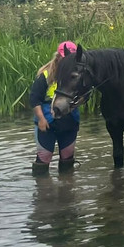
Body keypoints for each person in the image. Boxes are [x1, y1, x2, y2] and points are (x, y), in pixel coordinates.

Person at [30, 41, 81, 175]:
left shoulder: (76, 75)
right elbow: (34, 99)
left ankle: (67, 188)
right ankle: (42, 189)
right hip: (47, 122)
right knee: (44, 156)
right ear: (58, 56)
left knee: (67, 156)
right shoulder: (45, 75)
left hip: (69, 121)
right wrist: (41, 119)